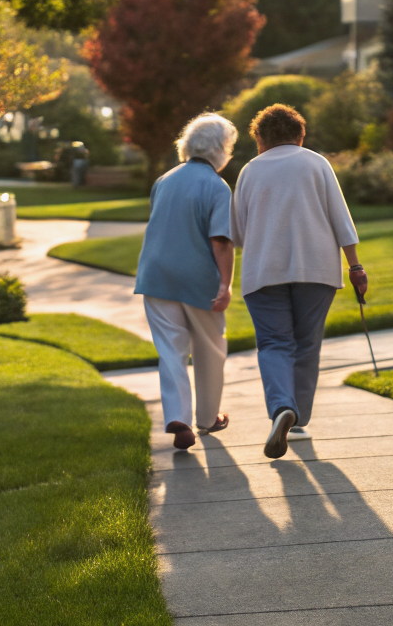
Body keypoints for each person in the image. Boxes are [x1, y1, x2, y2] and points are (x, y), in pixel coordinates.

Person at [232, 103, 367, 459]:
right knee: (307, 344)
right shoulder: (316, 163)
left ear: (259, 139)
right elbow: (341, 220)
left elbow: (238, 232)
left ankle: (281, 408)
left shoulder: (249, 171)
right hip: (317, 270)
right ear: (300, 135)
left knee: (275, 343)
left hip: (263, 272)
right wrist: (355, 267)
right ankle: (299, 419)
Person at [134, 113, 237, 451]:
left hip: (156, 276)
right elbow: (220, 241)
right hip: (197, 280)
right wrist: (226, 284)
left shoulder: (165, 179)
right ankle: (208, 418)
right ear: (221, 149)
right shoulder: (216, 186)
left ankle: (178, 419)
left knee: (171, 351)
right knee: (210, 349)